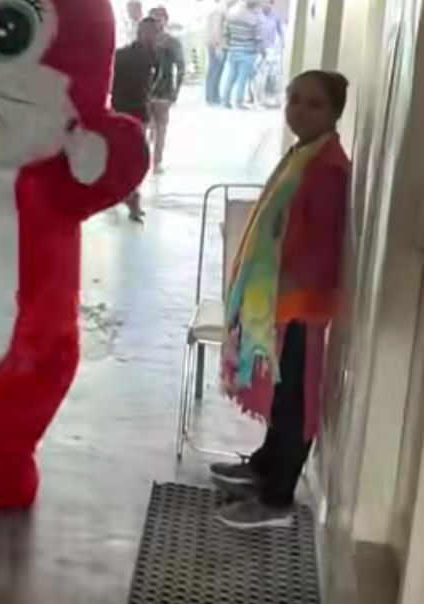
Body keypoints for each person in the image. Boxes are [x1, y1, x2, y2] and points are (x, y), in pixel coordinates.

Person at [213, 71, 351, 529]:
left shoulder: (327, 167)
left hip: (299, 306)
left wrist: (281, 294)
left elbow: (320, 247)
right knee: (281, 394)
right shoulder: (304, 155)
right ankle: (264, 467)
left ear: (335, 112)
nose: (300, 110)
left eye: (314, 104)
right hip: (281, 302)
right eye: (294, 99)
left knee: (295, 401)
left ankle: (277, 501)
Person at [111, 17, 160, 222]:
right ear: (142, 33)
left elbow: (150, 84)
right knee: (130, 160)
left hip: (135, 112)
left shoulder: (151, 56)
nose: (157, 37)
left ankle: (127, 197)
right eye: (154, 33)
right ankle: (130, 199)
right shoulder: (126, 56)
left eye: (158, 33)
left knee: (129, 159)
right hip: (127, 112)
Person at [148, 7, 184, 173]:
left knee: (156, 127)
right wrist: (176, 90)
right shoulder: (171, 42)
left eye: (159, 18)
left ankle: (154, 161)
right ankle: (155, 162)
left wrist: (176, 90)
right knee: (158, 128)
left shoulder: (144, 40)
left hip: (155, 91)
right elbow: (181, 67)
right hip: (155, 91)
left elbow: (181, 68)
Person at [222, 0, 263, 108]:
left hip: (233, 49)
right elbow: (258, 37)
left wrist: (229, 44)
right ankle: (238, 101)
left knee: (231, 76)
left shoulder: (232, 14)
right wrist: (259, 50)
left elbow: (226, 33)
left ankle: (225, 100)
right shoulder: (254, 18)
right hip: (248, 52)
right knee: (242, 79)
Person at [254, 0, 286, 107]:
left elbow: (280, 31)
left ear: (272, 4)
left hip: (271, 49)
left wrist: (281, 44)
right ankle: (257, 99)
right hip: (258, 49)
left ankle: (272, 98)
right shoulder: (256, 14)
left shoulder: (276, 15)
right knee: (258, 76)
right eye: (263, 2)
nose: (265, 5)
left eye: (268, 3)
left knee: (273, 75)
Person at [205, 0, 231, 105]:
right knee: (215, 71)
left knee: (216, 71)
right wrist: (218, 46)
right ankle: (211, 97)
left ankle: (213, 96)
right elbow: (216, 30)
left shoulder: (219, 10)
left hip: (216, 44)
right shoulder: (219, 11)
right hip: (218, 44)